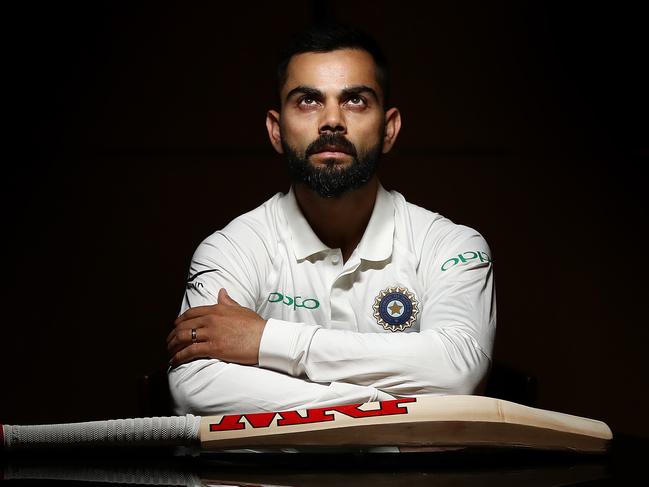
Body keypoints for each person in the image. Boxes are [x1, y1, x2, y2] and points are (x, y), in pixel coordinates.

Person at [166, 25, 496, 416]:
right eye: (308, 100)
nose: (332, 121)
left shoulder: (453, 245)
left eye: (355, 100)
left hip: (408, 480)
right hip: (273, 480)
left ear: (389, 129)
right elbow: (195, 386)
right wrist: (380, 408)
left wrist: (266, 340)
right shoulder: (230, 248)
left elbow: (458, 372)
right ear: (275, 130)